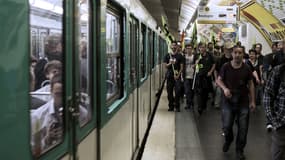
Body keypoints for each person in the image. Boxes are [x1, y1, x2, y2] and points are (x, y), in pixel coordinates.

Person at [216, 45, 256, 160]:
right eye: (235, 53)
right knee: (227, 126)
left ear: (243, 54)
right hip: (228, 100)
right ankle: (229, 140)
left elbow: (251, 84)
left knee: (243, 128)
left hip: (243, 101)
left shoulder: (247, 68)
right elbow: (218, 80)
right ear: (232, 54)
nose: (237, 55)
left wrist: (252, 101)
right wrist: (225, 89)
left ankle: (239, 150)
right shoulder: (226, 66)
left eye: (240, 53)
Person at [263, 39, 285, 160]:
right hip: (282, 124)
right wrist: (273, 120)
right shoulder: (278, 71)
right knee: (278, 154)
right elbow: (268, 95)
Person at [194, 42, 215, 115]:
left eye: (203, 47)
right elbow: (194, 66)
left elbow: (213, 64)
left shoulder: (209, 55)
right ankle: (199, 107)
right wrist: (196, 64)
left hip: (207, 77)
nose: (202, 49)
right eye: (201, 47)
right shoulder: (197, 56)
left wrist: (210, 72)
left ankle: (204, 105)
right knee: (199, 92)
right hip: (199, 77)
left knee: (206, 92)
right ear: (199, 48)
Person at [163, 41, 184, 112]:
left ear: (177, 47)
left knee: (178, 92)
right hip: (169, 76)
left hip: (177, 76)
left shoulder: (180, 56)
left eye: (175, 45)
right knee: (169, 92)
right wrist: (170, 63)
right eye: (173, 45)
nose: (174, 47)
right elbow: (165, 66)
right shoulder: (167, 55)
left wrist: (178, 76)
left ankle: (177, 106)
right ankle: (171, 106)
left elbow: (181, 67)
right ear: (171, 46)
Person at [183, 44, 195, 110]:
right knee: (187, 91)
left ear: (192, 49)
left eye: (190, 48)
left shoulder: (195, 57)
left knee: (192, 91)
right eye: (187, 48)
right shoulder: (183, 57)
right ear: (185, 49)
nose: (189, 50)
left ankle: (191, 102)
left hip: (193, 76)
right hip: (186, 76)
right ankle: (188, 104)